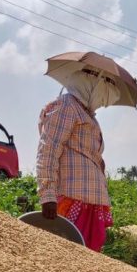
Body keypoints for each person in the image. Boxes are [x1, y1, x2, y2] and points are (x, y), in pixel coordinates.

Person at [36, 68, 120, 252]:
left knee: (88, 259)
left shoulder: (87, 114)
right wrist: (47, 194)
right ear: (90, 86)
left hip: (92, 201)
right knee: (68, 254)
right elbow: (48, 150)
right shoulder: (66, 107)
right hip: (72, 199)